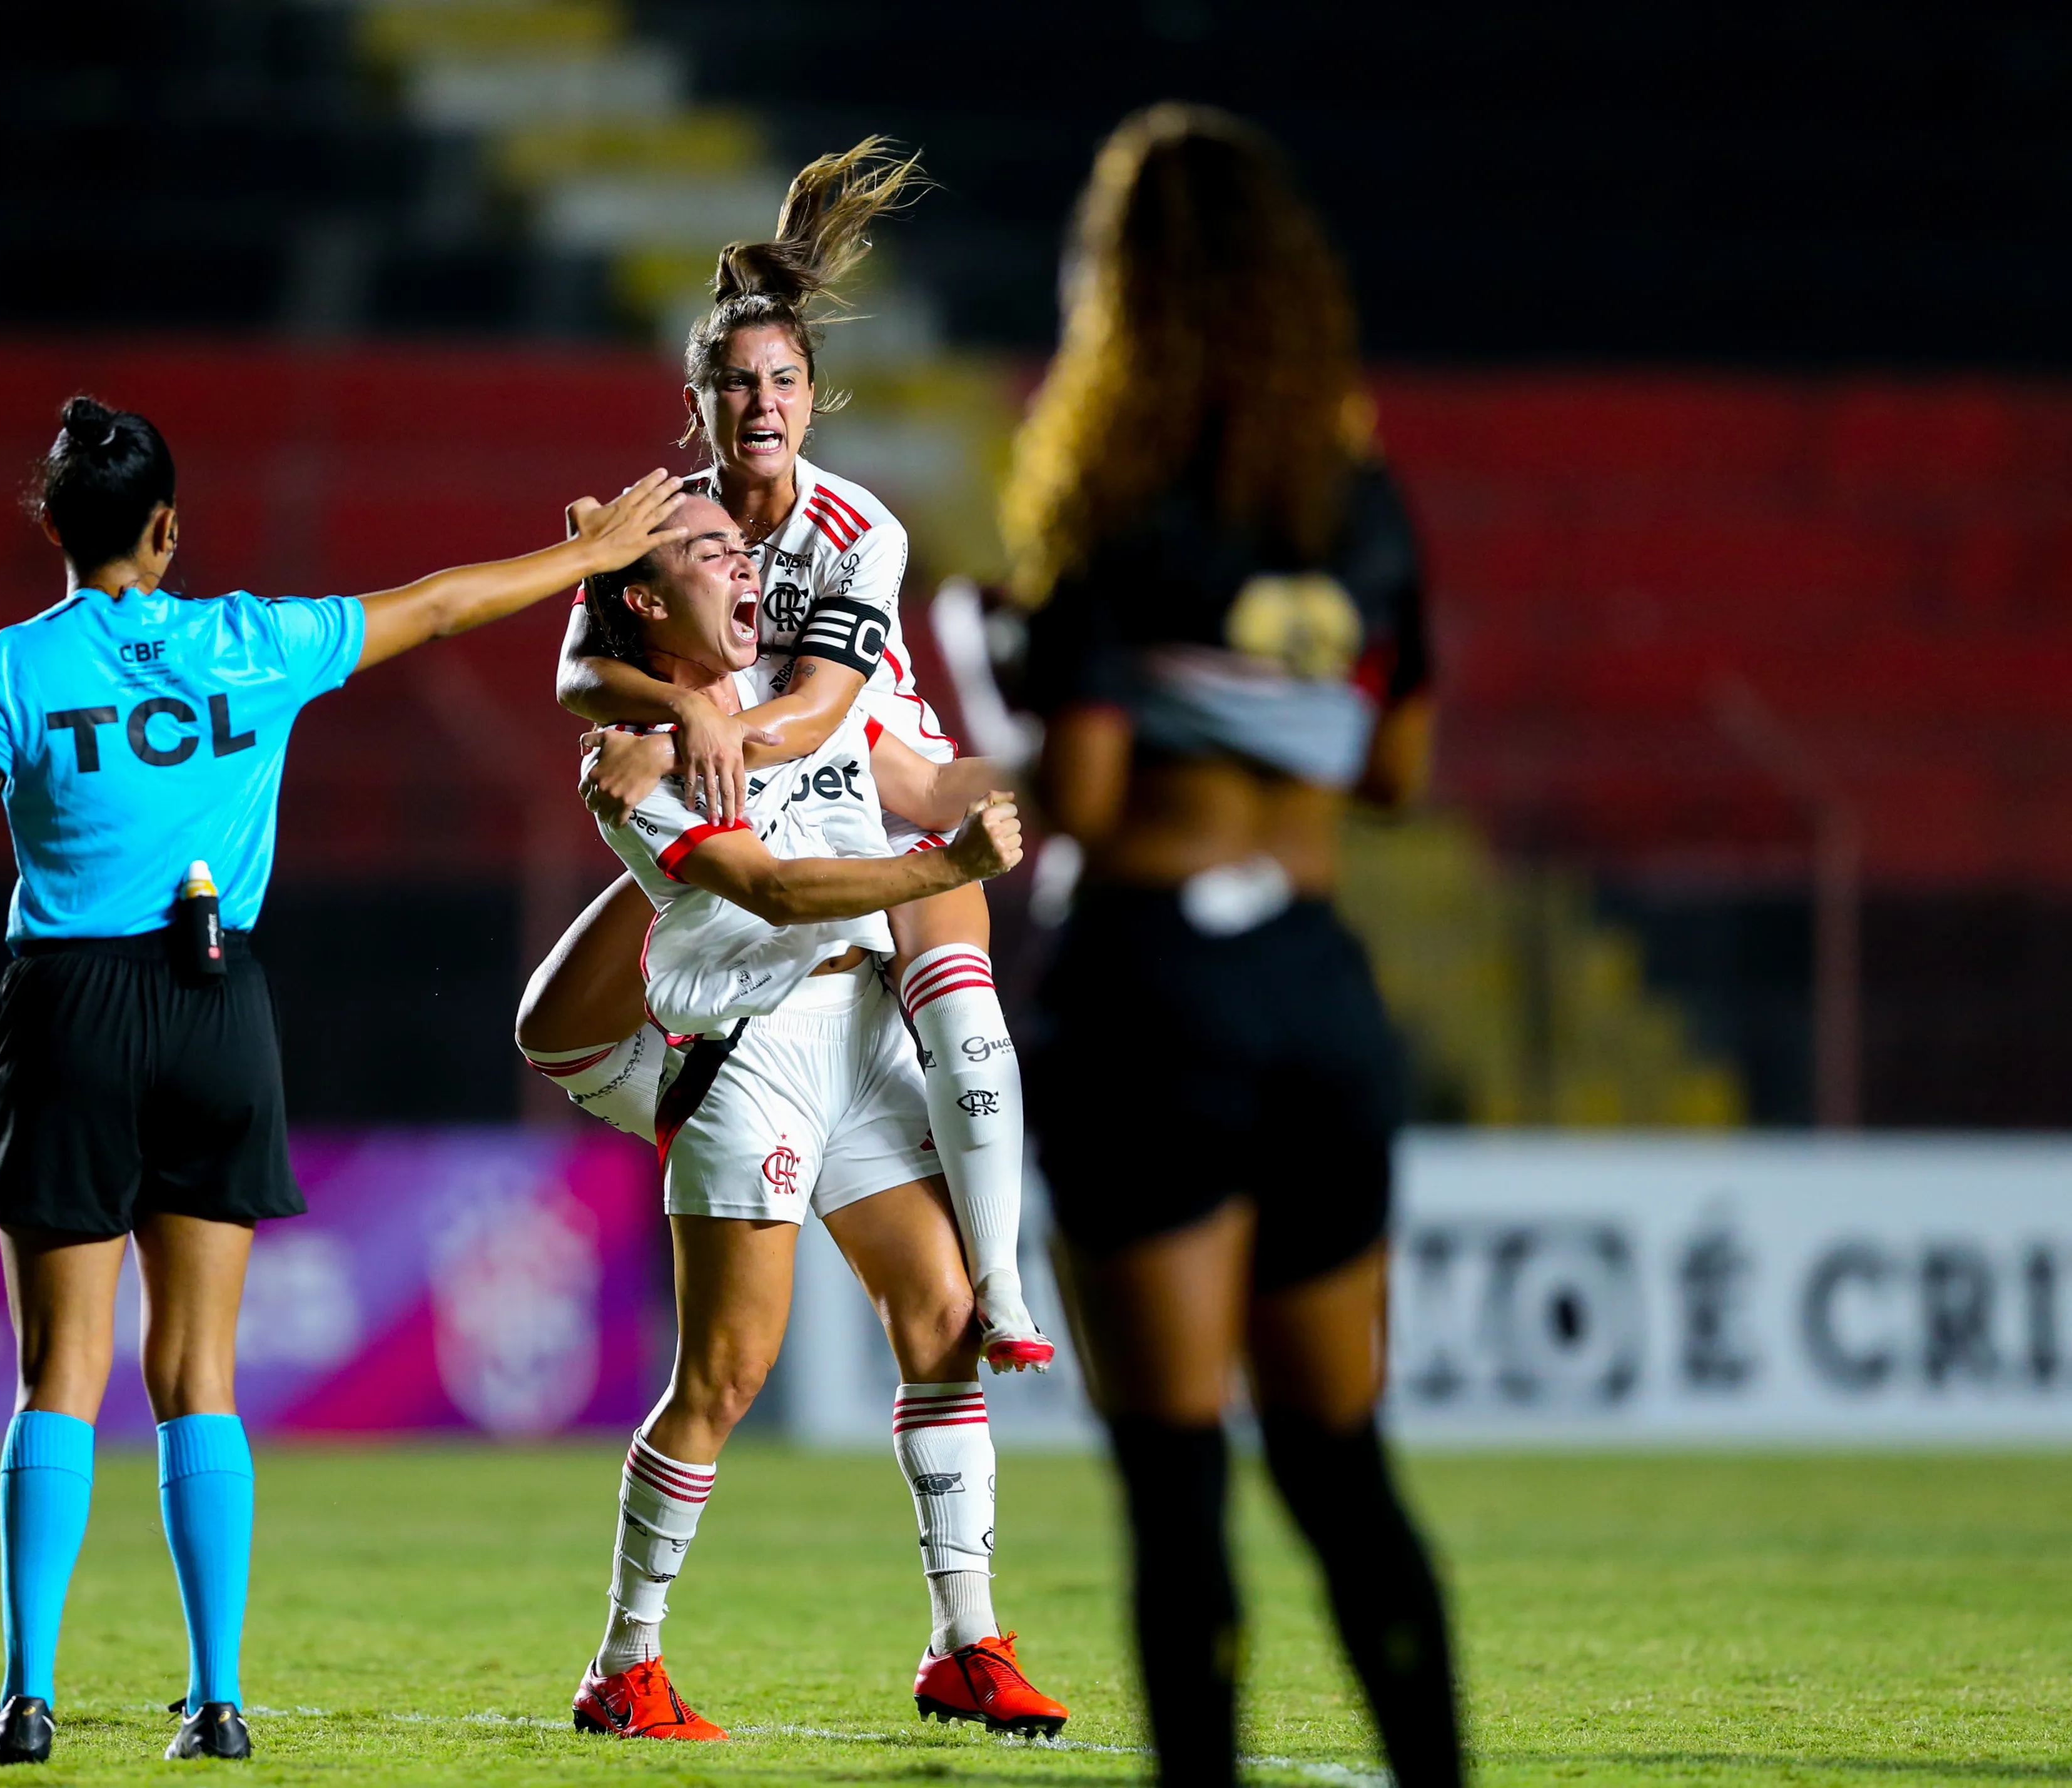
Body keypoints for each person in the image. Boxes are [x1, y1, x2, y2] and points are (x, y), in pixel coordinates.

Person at [0, 394, 687, 1766]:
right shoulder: (254, 640)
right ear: (167, 530)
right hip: (215, 1007)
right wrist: (584, 562)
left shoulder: (7, 668)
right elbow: (440, 605)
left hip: (67, 1012)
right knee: (201, 1373)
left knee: (58, 1375)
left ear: (55, 527)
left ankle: (27, 1700)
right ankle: (218, 1699)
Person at [1000, 105, 1462, 1785]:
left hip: (1153, 992)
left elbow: (1086, 800)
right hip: (1316, 991)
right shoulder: (1357, 499)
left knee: (1177, 1480)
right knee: (1340, 1465)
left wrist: (1002, 699)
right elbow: (1395, 769)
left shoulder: (1109, 499)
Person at [512, 140, 1053, 1373]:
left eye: (783, 383)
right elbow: (577, 675)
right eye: (733, 384)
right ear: (696, 401)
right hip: (760, 804)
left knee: (966, 1027)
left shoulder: (859, 527)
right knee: (559, 1028)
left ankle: (1005, 1284)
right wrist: (677, 713)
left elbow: (815, 715)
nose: (760, 406)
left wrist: (689, 735)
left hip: (879, 782)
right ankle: (730, 1115)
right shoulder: (664, 523)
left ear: (813, 399)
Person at [558, 490, 1071, 1744]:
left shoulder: (809, 693)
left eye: (743, 551)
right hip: (750, 1054)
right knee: (726, 1373)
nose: (745, 568)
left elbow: (924, 777)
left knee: (942, 1320)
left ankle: (965, 1641)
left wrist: (1071, 772)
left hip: (861, 1029)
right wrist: (941, 869)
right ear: (644, 600)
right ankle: (624, 1660)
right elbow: (773, 888)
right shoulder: (629, 761)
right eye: (708, 554)